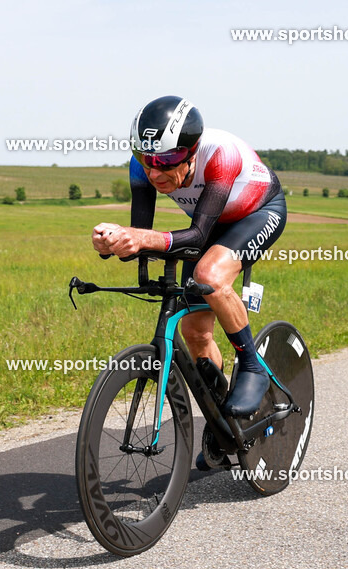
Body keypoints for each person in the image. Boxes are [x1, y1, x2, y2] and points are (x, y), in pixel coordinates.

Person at [91, 95, 287, 418]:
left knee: (210, 276)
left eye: (167, 160)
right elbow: (142, 238)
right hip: (209, 221)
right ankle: (225, 424)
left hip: (258, 213)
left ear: (190, 153)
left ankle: (253, 366)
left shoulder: (220, 155)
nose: (155, 172)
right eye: (146, 158)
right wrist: (113, 244)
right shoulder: (143, 167)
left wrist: (140, 238)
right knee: (194, 333)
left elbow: (197, 236)